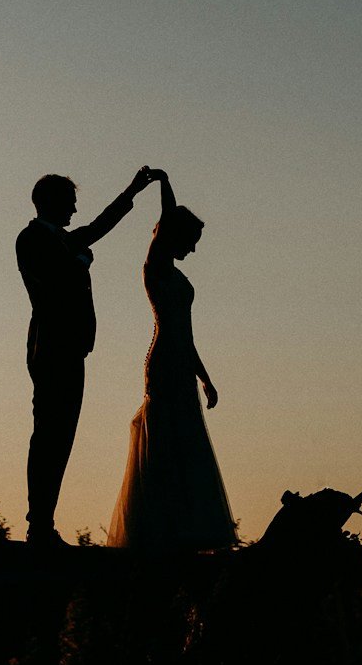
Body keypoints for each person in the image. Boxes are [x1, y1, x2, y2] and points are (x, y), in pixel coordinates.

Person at [17, 166, 156, 545]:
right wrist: (80, 262)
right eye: (70, 203)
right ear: (52, 202)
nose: (75, 211)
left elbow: (99, 226)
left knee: (61, 437)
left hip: (71, 349)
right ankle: (39, 525)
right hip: (50, 349)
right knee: (49, 435)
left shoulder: (66, 240)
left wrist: (132, 190)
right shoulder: (31, 239)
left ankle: (43, 522)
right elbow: (54, 282)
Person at [107, 168, 234, 551]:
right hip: (162, 364)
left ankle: (184, 524)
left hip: (181, 363)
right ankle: (159, 526)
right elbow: (167, 219)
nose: (193, 249)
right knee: (166, 441)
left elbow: (188, 335)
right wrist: (163, 183)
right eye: (191, 241)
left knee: (187, 443)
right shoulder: (156, 267)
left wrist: (206, 378)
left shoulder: (177, 275)